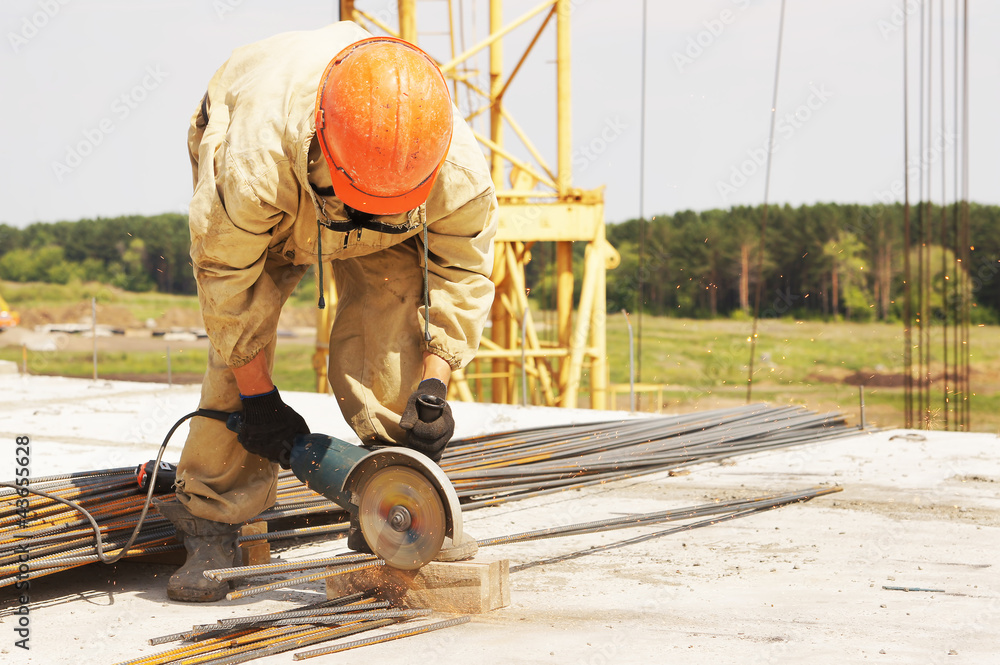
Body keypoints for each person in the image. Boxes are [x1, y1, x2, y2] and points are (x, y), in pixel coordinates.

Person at [153, 22, 498, 602]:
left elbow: (461, 275)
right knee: (239, 346)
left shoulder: (455, 171)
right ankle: (212, 514)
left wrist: (434, 385)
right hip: (281, 191)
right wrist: (259, 400)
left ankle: (392, 490)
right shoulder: (249, 166)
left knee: (395, 310)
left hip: (376, 191)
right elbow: (227, 290)